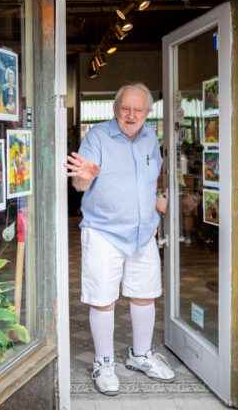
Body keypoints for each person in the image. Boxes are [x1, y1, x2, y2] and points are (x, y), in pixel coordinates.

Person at [65, 82, 175, 396]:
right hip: (104, 232)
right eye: (125, 108)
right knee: (103, 299)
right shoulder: (97, 136)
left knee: (145, 295)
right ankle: (104, 362)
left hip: (143, 233)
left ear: (147, 112)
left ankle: (140, 356)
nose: (131, 115)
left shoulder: (151, 137)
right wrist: (84, 175)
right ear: (116, 109)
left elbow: (150, 177)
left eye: (137, 110)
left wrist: (159, 201)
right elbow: (79, 185)